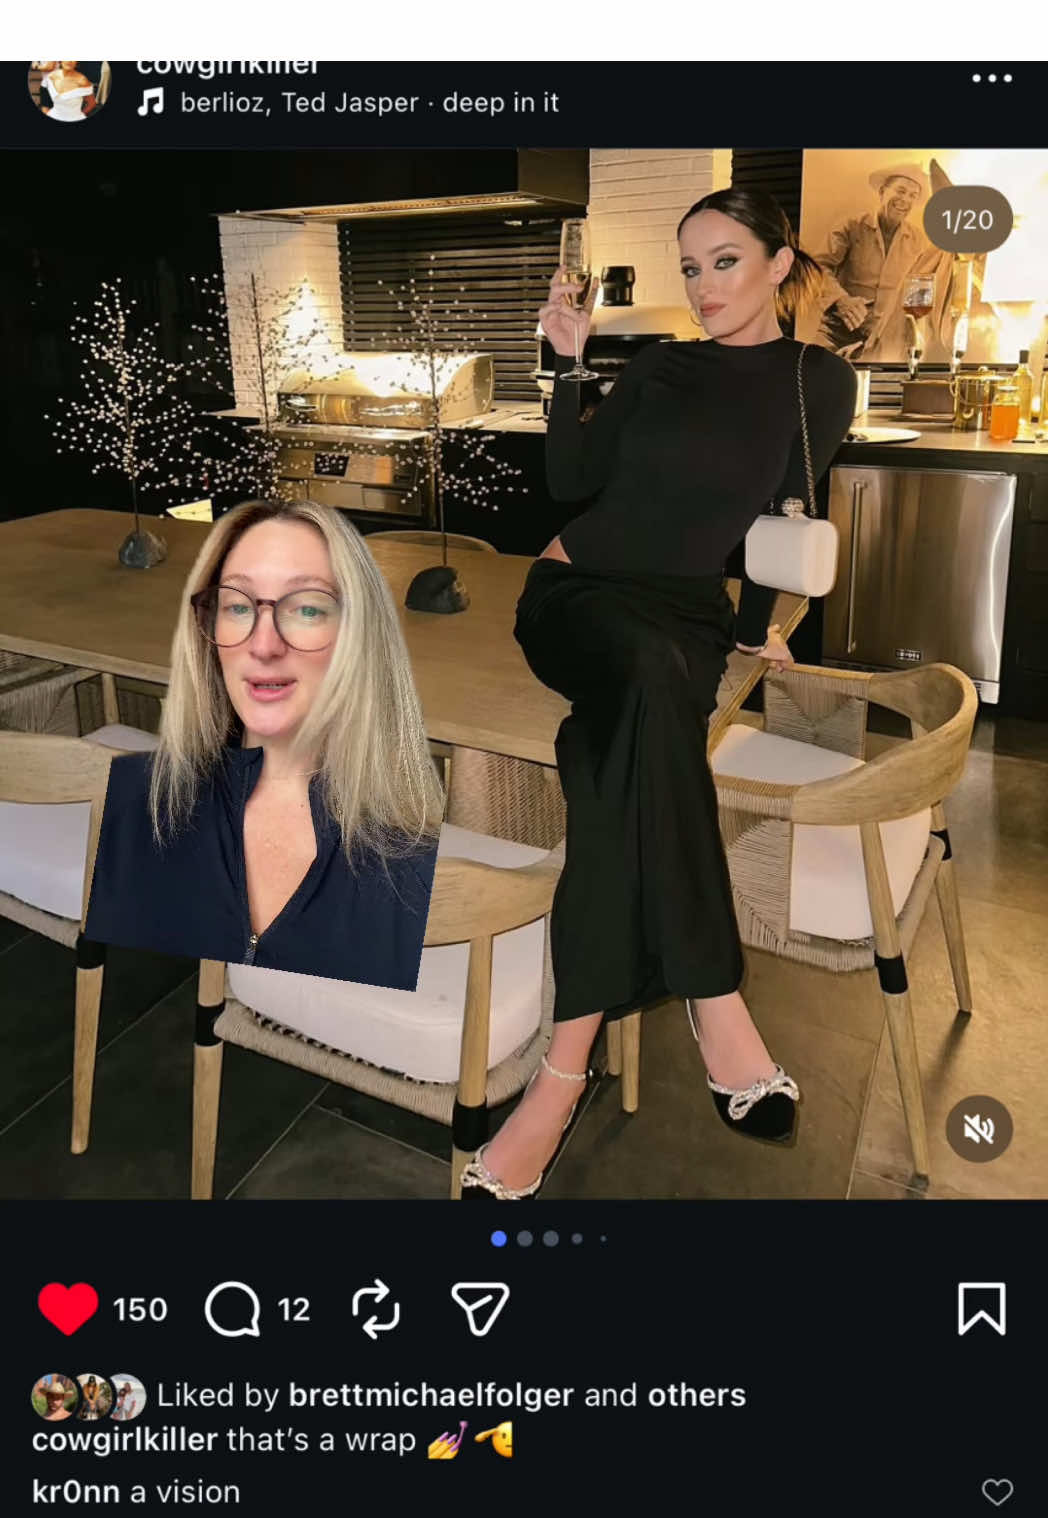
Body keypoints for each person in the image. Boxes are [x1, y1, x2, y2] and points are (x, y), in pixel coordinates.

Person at [461, 187, 856, 1199]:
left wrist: (752, 626)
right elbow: (570, 479)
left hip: (683, 617)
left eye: (725, 261)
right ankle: (711, 996)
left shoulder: (817, 381)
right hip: (576, 595)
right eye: (690, 267)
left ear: (778, 263)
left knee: (612, 766)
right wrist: (566, 362)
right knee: (645, 688)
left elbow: (782, 514)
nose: (703, 286)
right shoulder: (655, 367)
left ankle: (560, 1077)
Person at [84, 499, 444, 989]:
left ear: (360, 634)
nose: (264, 645)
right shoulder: (135, 809)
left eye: (308, 608)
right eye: (237, 606)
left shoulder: (413, 867)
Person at [811, 161, 949, 360]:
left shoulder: (919, 242)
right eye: (900, 191)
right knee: (815, 373)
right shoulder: (851, 226)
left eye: (913, 195)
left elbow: (919, 299)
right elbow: (816, 267)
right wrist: (841, 300)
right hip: (834, 335)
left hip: (880, 344)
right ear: (883, 191)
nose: (905, 200)